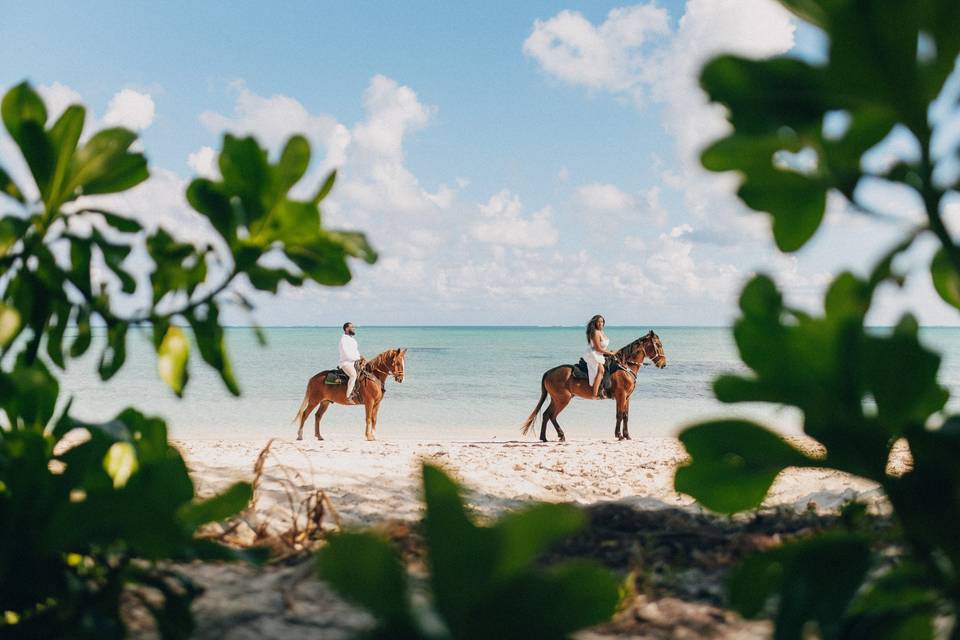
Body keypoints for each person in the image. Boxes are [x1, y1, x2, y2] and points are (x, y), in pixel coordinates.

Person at [583, 314, 616, 399]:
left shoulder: (601, 332)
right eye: (598, 322)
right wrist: (610, 353)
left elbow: (602, 347)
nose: (600, 323)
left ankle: (606, 388)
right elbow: (598, 348)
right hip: (593, 354)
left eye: (602, 322)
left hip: (600, 354)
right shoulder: (595, 332)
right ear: (595, 323)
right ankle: (595, 394)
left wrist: (610, 352)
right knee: (601, 370)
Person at [339, 322, 362, 403]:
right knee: (353, 375)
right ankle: (348, 397)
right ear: (346, 329)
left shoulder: (352, 339)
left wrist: (361, 358)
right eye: (352, 327)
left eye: (353, 327)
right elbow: (346, 353)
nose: (354, 328)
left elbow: (355, 351)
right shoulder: (343, 340)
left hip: (354, 362)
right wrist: (357, 358)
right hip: (346, 363)